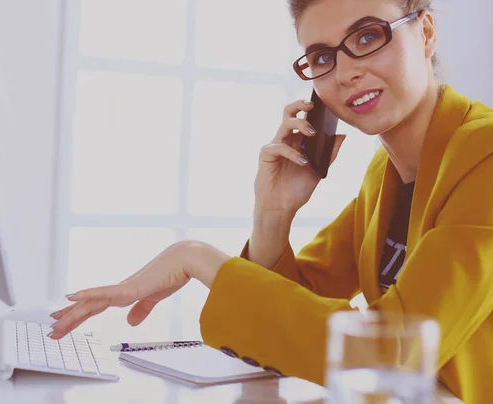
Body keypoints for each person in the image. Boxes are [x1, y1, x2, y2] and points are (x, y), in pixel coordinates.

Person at [49, 0, 493, 401]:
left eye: (367, 36)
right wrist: (273, 214)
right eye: (323, 57)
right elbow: (294, 311)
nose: (345, 73)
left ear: (427, 32)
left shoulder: (485, 158)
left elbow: (395, 350)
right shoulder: (386, 175)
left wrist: (196, 258)